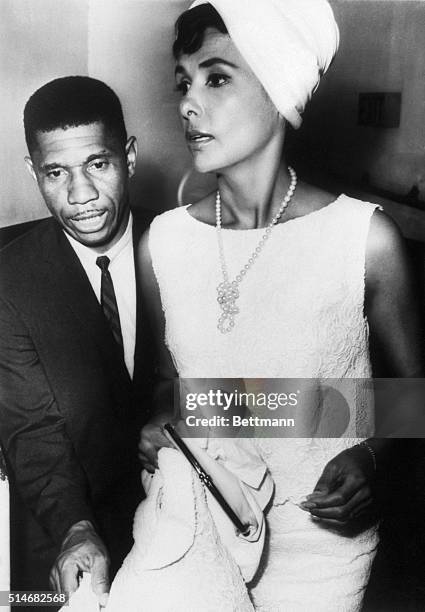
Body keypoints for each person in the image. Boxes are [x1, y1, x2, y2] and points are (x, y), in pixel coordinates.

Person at [137, 1, 424, 611]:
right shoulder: (162, 242)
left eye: (217, 77)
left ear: (280, 86)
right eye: (183, 82)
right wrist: (161, 426)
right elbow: (171, 388)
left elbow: (413, 396)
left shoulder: (365, 240)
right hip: (200, 522)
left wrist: (372, 456)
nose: (189, 102)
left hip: (320, 542)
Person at [0, 76, 153, 610]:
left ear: (129, 157)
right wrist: (74, 527)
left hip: (191, 518)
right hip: (72, 530)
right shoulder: (10, 280)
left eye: (97, 164)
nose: (80, 195)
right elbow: (32, 427)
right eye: (56, 172)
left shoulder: (188, 246)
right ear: (32, 172)